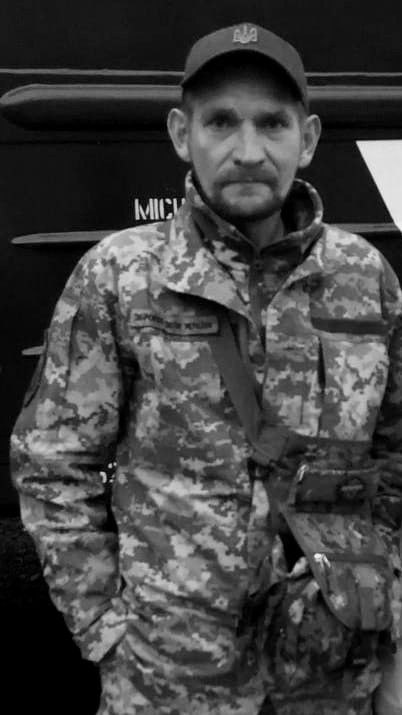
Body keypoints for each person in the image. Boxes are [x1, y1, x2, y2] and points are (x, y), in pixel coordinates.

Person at [10, 22, 402, 715]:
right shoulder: (120, 276)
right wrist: (106, 630)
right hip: (170, 676)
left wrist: (388, 617)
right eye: (221, 122)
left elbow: (395, 461)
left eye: (272, 123)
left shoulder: (363, 278)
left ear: (308, 138)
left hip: (330, 674)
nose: (248, 151)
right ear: (180, 133)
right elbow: (52, 464)